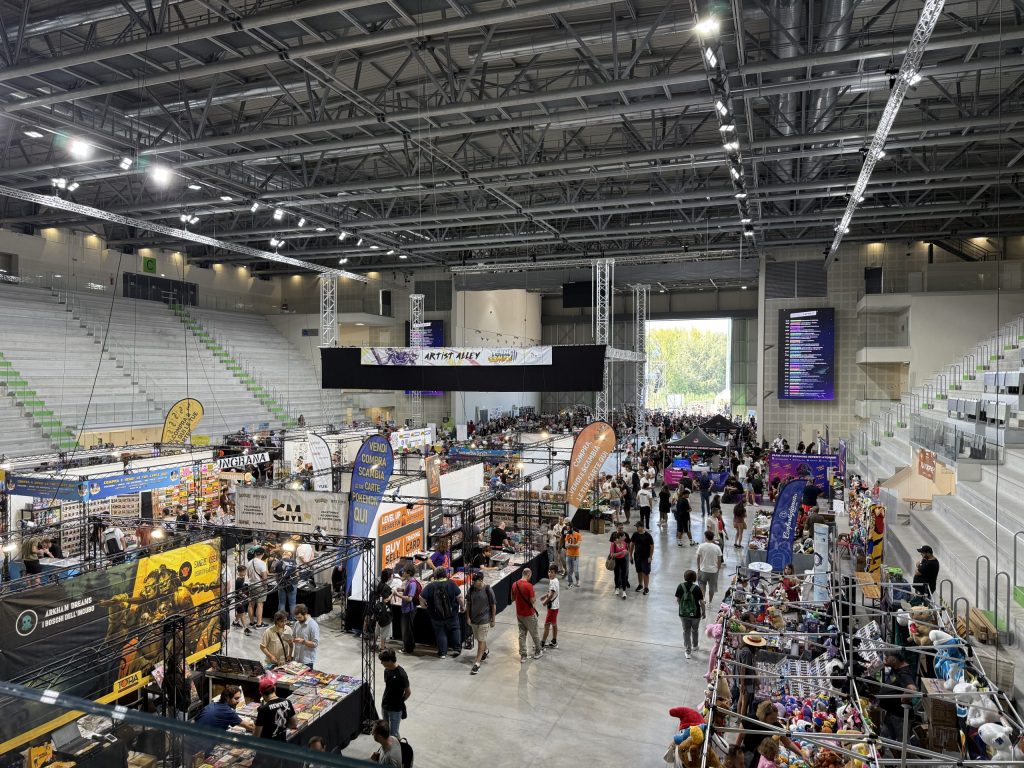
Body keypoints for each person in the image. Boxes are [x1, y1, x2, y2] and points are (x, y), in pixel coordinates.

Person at [419, 566, 465, 658]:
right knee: (455, 629)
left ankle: (442, 653)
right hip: (452, 614)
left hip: (436, 615)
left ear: (435, 575)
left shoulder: (430, 586)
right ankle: (456, 649)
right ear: (445, 574)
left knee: (440, 632)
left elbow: (421, 597)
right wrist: (462, 606)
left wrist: (424, 606)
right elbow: (459, 597)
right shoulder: (451, 584)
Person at [878, 651, 919, 746]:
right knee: (884, 738)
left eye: (887, 657)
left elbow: (912, 688)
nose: (885, 660)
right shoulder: (896, 667)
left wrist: (904, 698)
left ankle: (911, 759)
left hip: (900, 716)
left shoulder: (904, 673)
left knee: (903, 745)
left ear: (894, 659)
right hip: (892, 713)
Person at [466, 571, 496, 675]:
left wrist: (493, 619)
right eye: (474, 581)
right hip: (474, 620)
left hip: (484, 619)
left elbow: (493, 605)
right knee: (479, 638)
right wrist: (468, 617)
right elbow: (468, 604)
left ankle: (477, 664)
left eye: (476, 581)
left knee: (481, 640)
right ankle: (486, 650)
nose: (475, 583)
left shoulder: (488, 589)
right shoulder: (471, 590)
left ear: (481, 581)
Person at [511, 568, 543, 661]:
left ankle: (523, 656)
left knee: (522, 634)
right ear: (528, 575)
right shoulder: (529, 586)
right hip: (529, 614)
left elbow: (512, 598)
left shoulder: (514, 584)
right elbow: (532, 600)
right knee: (535, 633)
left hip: (519, 614)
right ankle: (538, 651)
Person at [378, 649, 411, 738]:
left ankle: (396, 749)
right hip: (385, 704)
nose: (381, 663)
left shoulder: (401, 674)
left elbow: (408, 692)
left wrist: (400, 701)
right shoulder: (387, 670)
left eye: (383, 661)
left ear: (390, 661)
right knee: (386, 730)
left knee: (393, 734)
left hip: (396, 708)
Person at [675, 569, 705, 659]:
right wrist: (704, 612)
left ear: (685, 577)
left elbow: (678, 600)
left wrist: (682, 608)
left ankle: (688, 652)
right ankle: (695, 646)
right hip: (695, 614)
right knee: (695, 630)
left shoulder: (680, 586)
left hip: (683, 614)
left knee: (686, 631)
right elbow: (702, 602)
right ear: (694, 578)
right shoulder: (696, 588)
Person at [696, 531, 724, 605]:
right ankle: (710, 602)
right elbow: (719, 560)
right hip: (713, 571)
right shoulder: (717, 547)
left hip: (703, 570)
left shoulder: (701, 546)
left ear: (705, 537)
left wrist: (698, 568)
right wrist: (718, 569)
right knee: (712, 588)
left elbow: (698, 558)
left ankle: (703, 600)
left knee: (702, 586)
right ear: (712, 538)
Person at [398, 566, 421, 655]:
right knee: (407, 629)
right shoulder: (409, 581)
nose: (402, 573)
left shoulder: (412, 583)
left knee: (406, 630)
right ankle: (410, 646)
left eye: (404, 572)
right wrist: (402, 590)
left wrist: (397, 594)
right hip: (406, 609)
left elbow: (409, 598)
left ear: (408, 573)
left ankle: (407, 648)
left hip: (409, 610)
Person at [273, 548, 298, 620]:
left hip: (281, 584)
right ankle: (292, 619)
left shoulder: (278, 562)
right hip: (292, 584)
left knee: (281, 603)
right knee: (292, 603)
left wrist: (278, 582)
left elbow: (276, 574)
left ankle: (281, 619)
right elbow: (296, 574)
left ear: (283, 554)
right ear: (289, 555)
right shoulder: (293, 562)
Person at [246, 548, 269, 628]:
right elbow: (264, 578)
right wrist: (265, 585)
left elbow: (248, 575)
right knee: (260, 605)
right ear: (262, 554)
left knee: (251, 604)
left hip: (251, 585)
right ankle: (259, 624)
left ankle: (252, 622)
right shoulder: (262, 563)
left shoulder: (249, 563)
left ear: (255, 554)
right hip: (260, 586)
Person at [630, 521, 655, 594]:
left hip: (646, 557)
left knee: (646, 572)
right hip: (637, 556)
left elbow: (652, 546)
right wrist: (631, 555)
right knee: (639, 571)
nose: (637, 528)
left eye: (638, 527)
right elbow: (632, 544)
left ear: (642, 527)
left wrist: (650, 557)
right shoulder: (635, 534)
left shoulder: (648, 536)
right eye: (636, 527)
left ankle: (646, 587)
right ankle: (640, 585)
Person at [541, 563, 560, 648]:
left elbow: (552, 595)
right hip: (555, 607)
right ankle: (554, 641)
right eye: (549, 572)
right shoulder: (555, 580)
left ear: (555, 573)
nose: (550, 574)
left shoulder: (553, 582)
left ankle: (542, 643)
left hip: (552, 607)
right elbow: (552, 592)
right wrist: (545, 595)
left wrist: (545, 601)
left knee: (547, 624)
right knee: (554, 623)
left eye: (552, 572)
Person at [609, 530, 630, 599]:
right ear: (620, 537)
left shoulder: (624, 543)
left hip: (623, 560)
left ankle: (624, 591)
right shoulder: (613, 544)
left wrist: (626, 552)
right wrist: (621, 553)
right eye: (624, 536)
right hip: (616, 561)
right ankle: (617, 588)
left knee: (624, 575)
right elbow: (612, 555)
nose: (625, 537)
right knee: (617, 575)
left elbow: (626, 552)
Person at [232, 565, 251, 635]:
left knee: (239, 612)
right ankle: (245, 628)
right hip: (238, 599)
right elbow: (239, 592)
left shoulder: (241, 578)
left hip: (240, 599)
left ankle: (235, 622)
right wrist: (246, 597)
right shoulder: (239, 580)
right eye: (244, 571)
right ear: (241, 572)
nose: (245, 572)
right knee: (242, 614)